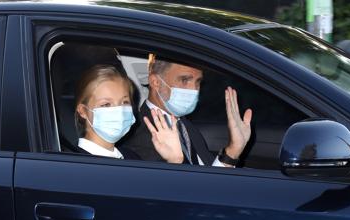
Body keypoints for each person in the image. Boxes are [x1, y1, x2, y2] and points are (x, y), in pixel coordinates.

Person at [124, 54, 252, 167]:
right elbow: (183, 192)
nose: (194, 89)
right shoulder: (139, 136)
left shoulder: (184, 125)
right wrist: (176, 163)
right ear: (155, 82)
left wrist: (233, 150)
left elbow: (209, 180)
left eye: (197, 82)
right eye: (184, 80)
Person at [75, 64, 183, 163]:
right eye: (106, 104)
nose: (119, 111)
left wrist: (174, 160)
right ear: (83, 111)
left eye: (124, 102)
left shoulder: (131, 157)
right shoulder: (73, 163)